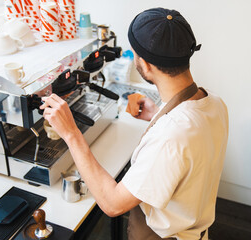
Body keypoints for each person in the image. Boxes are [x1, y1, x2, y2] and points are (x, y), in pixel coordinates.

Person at [40, 7, 229, 240]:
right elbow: (189, 144)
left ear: (146, 65)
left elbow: (112, 204)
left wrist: (71, 133)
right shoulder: (214, 102)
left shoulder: (172, 136)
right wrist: (158, 114)